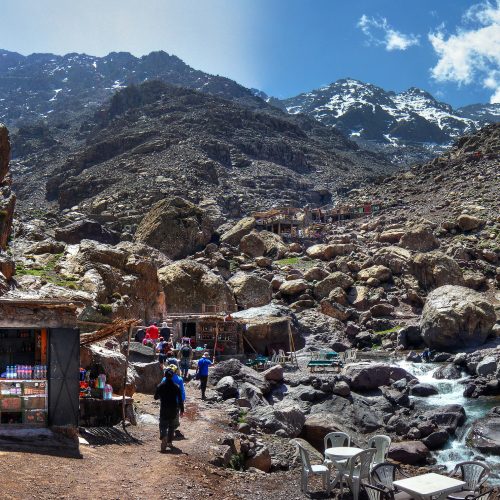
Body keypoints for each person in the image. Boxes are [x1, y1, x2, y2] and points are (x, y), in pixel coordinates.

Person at [154, 368, 184, 452]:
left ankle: (163, 435)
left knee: (163, 424)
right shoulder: (176, 386)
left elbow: (155, 397)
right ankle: (169, 442)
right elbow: (180, 399)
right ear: (172, 376)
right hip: (173, 408)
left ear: (165, 376)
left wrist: (161, 396)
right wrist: (182, 410)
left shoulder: (160, 386)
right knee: (171, 426)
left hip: (164, 408)